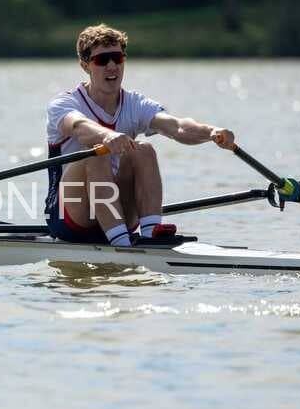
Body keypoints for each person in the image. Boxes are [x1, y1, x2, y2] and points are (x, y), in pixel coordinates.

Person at [45, 24, 235, 246]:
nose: (112, 66)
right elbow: (78, 126)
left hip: (118, 211)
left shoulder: (135, 104)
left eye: (117, 58)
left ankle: (150, 233)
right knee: (95, 153)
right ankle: (121, 244)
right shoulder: (64, 103)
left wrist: (211, 132)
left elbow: (177, 127)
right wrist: (106, 136)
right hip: (70, 216)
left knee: (144, 150)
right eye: (102, 60)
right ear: (85, 65)